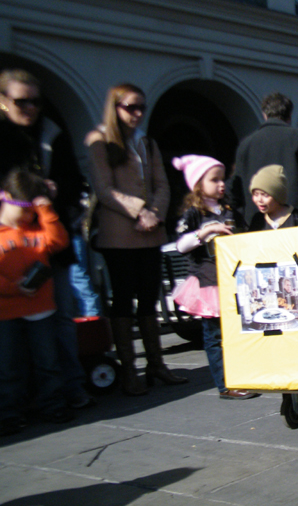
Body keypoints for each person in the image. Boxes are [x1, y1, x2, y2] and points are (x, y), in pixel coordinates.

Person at [0, 69, 94, 410]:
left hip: (51, 241)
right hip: (8, 246)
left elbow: (74, 181)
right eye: (21, 101)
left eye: (35, 101)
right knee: (11, 331)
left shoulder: (52, 131)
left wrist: (57, 189)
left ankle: (67, 389)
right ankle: (17, 398)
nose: (30, 107)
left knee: (61, 319)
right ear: (3, 101)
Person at [85, 83, 187, 395]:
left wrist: (154, 213)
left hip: (150, 234)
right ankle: (131, 369)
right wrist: (139, 211)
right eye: (131, 107)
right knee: (123, 302)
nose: (138, 113)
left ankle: (156, 364)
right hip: (119, 236)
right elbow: (104, 188)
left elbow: (163, 184)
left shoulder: (147, 143)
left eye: (141, 106)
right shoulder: (99, 140)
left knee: (149, 298)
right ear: (115, 107)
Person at [171, 155, 257, 400]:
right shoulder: (194, 214)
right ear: (198, 184)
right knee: (215, 336)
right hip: (209, 283)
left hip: (234, 281)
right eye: (214, 179)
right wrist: (205, 231)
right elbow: (181, 245)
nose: (221, 184)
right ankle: (225, 384)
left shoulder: (229, 211)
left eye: (222, 179)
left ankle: (243, 375)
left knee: (240, 332)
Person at [0, 170, 72, 436]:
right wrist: (11, 288)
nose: (31, 216)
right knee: (7, 366)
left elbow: (59, 240)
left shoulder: (39, 227)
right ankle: (9, 413)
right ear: (7, 198)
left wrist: (46, 208)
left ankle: (52, 405)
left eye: (34, 210)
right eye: (28, 210)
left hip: (40, 309)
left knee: (47, 362)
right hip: (5, 311)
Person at [228, 93, 298, 225]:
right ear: (289, 115)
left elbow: (235, 188)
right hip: (296, 221)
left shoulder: (246, 145)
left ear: (264, 115)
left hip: (257, 224)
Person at [248, 165, 298, 231]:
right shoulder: (258, 220)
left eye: (265, 195)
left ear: (277, 195)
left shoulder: (296, 218)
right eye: (256, 195)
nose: (259, 199)